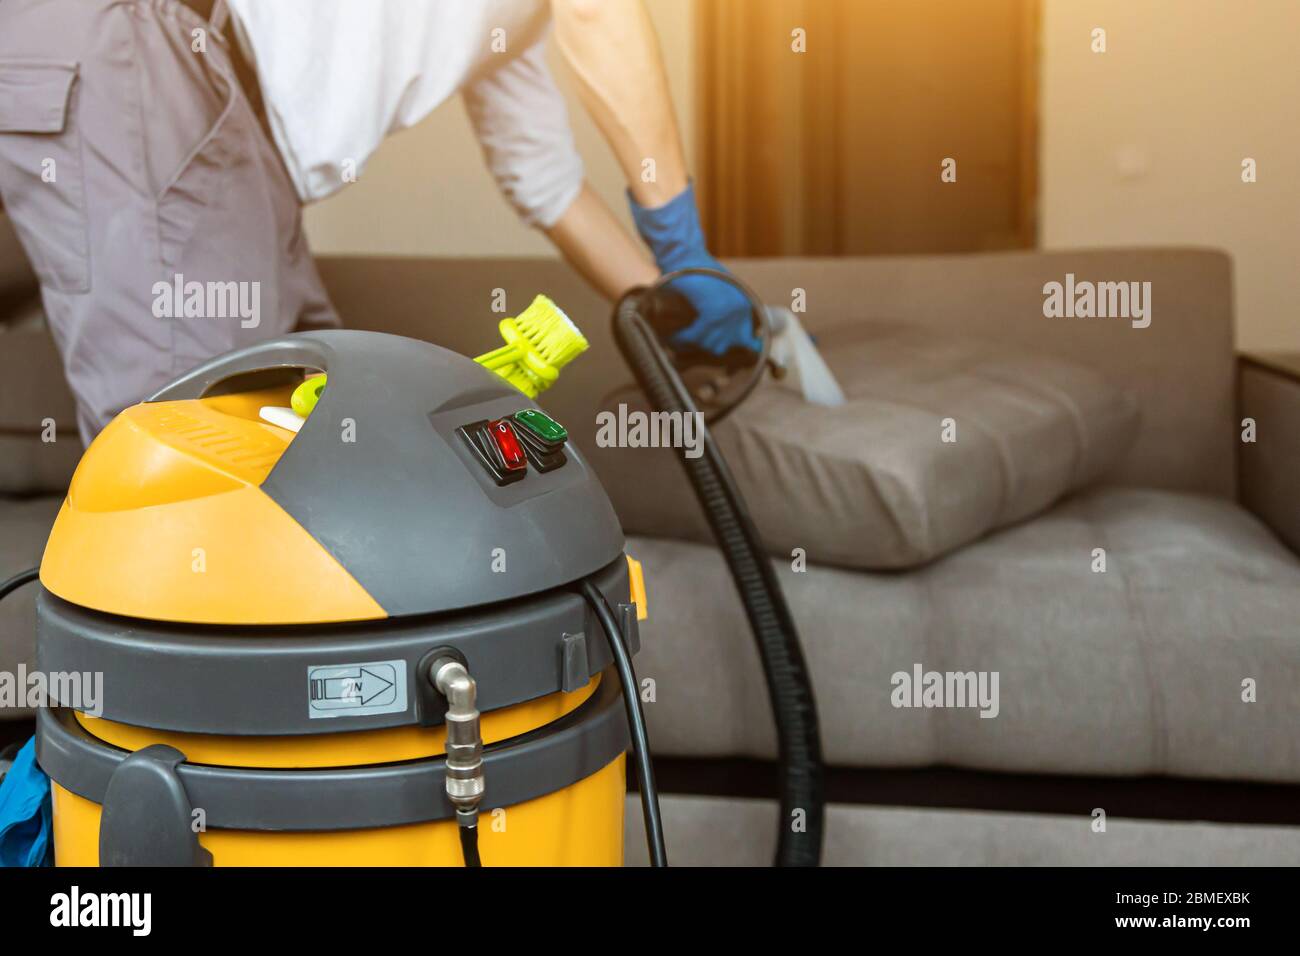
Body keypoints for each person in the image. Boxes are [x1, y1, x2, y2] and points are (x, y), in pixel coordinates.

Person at [0, 0, 756, 444]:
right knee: (195, 462)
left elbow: (545, 182)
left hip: (240, 143)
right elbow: (603, 13)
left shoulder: (509, 24)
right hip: (156, 53)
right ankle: (116, 717)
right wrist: (679, 239)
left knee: (305, 439)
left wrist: (670, 299)